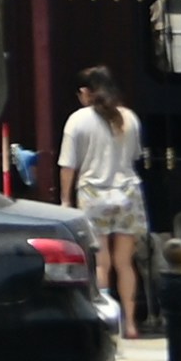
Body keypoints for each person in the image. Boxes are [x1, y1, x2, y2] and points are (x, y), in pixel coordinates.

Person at [56, 60, 150, 327]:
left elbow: (68, 165)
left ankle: (107, 322)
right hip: (127, 194)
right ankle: (130, 322)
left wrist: (65, 200)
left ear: (86, 92)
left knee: (101, 263)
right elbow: (134, 157)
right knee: (125, 263)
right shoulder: (129, 118)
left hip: (93, 194)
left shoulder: (78, 120)